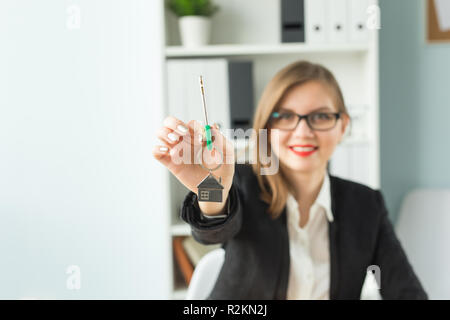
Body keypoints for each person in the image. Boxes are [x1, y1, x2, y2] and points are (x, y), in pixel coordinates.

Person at [153, 60, 427, 300]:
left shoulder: (366, 205)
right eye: (286, 116)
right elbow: (211, 231)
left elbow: (405, 291)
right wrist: (210, 186)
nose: (303, 131)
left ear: (343, 125)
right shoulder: (244, 184)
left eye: (320, 116)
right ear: (267, 127)